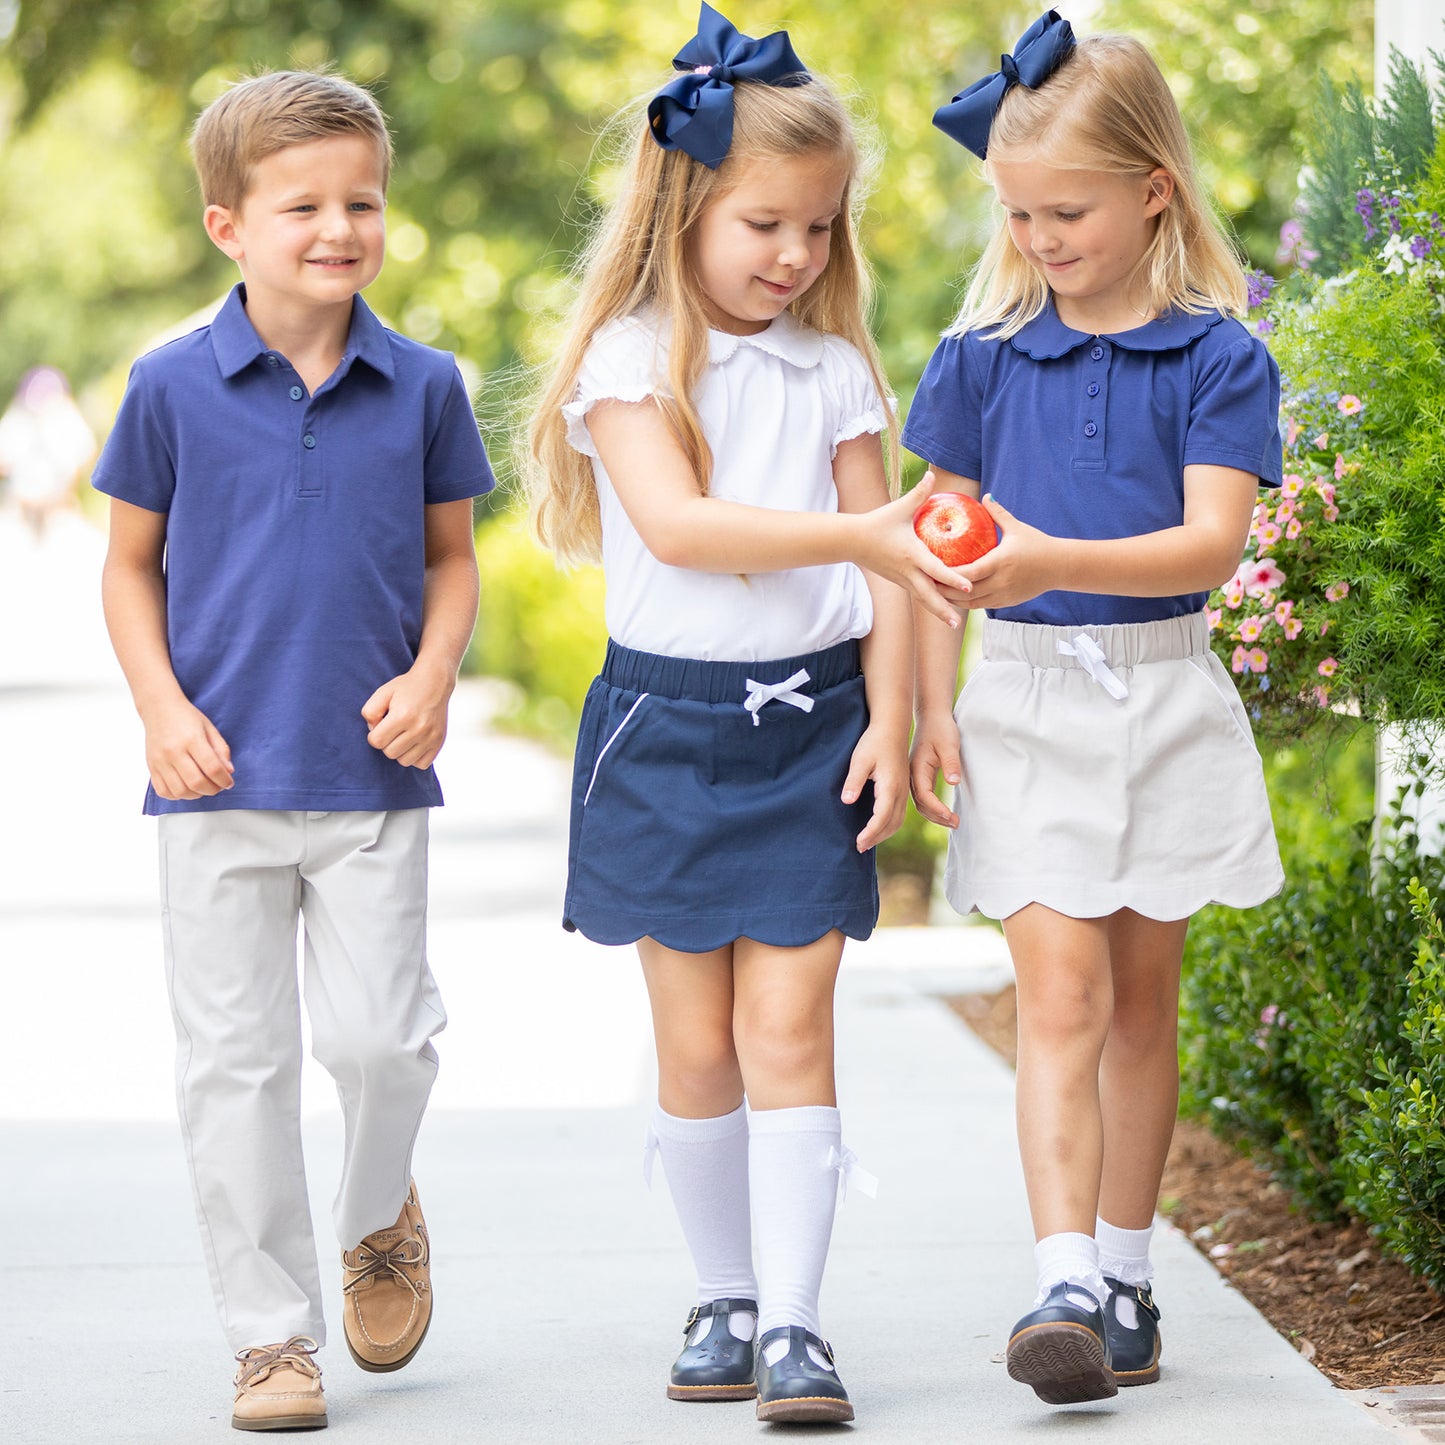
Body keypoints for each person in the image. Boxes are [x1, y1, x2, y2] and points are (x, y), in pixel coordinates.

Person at [527, 3, 961, 1425]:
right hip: (664, 732)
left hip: (807, 737)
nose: (795, 255)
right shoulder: (629, 362)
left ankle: (793, 1326)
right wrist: (873, 536)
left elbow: (900, 576)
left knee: (790, 1029)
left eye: (822, 229)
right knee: (697, 1043)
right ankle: (719, 1292)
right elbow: (687, 527)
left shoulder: (837, 373)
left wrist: (892, 719)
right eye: (767, 223)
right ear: (685, 208)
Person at [95, 70, 494, 1432]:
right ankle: (271, 1340)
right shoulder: (167, 386)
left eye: (362, 201)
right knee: (235, 1066)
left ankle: (378, 1209)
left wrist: (437, 672)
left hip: (375, 777)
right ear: (229, 225)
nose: (339, 227)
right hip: (211, 784)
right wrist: (160, 707)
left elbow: (454, 560)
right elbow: (127, 570)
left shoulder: (426, 384)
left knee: (387, 1044)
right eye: (304, 204)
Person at [905, 10, 1284, 1407]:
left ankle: (1126, 1269)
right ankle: (1061, 1276)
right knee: (1055, 992)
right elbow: (925, 550)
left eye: (1065, 209)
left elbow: (1208, 547)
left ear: (1152, 191)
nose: (1039, 236)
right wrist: (926, 703)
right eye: (1017, 212)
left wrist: (1047, 557)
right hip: (1025, 702)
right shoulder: (981, 354)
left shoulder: (1218, 359)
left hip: (1165, 699)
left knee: (1139, 1001)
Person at [0, 365, 96, 539]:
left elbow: (86, 455)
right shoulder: (19, 419)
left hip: (56, 510)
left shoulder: (66, 418)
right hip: (23, 511)